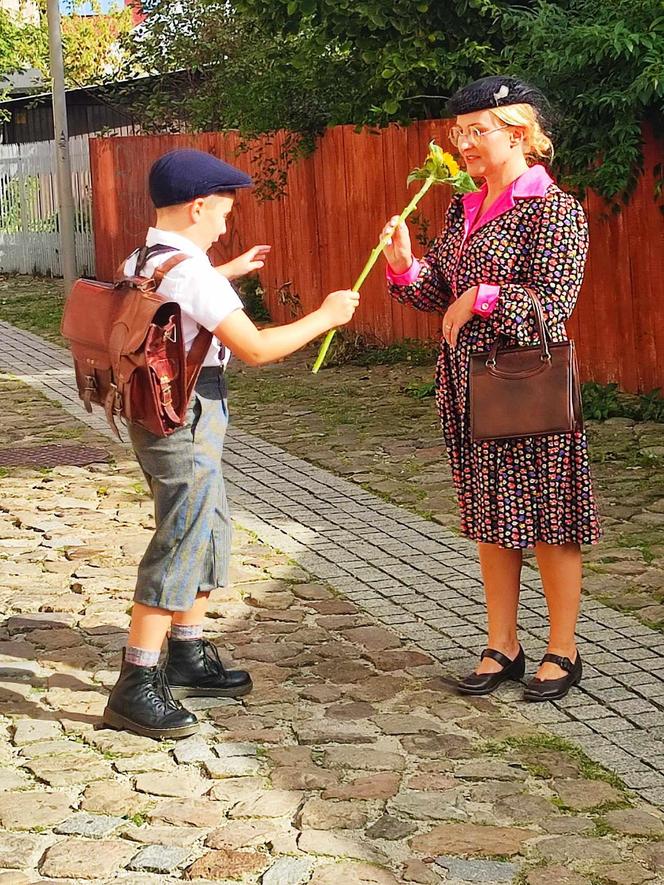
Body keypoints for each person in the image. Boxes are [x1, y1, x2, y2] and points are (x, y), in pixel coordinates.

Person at [103, 148, 359, 738]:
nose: (224, 224)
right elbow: (257, 349)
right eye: (222, 213)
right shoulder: (191, 270)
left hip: (157, 407)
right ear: (197, 207)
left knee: (207, 521)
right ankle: (136, 681)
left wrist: (229, 271)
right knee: (185, 531)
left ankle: (187, 652)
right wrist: (325, 316)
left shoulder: (146, 257)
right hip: (187, 408)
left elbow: (172, 301)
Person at [381, 76, 601, 702]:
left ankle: (564, 648)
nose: (465, 144)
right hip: (467, 387)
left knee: (552, 520)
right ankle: (502, 643)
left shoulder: (552, 208)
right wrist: (405, 265)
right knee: (491, 520)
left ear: (521, 134)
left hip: (529, 384)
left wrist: (484, 296)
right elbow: (437, 299)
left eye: (479, 131)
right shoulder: (465, 206)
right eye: (460, 133)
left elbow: (552, 303)